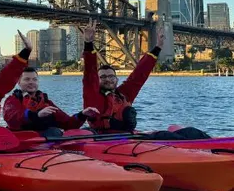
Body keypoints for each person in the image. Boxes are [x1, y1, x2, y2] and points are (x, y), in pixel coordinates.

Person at [81, 19, 209, 139]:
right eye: (102, 77)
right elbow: (89, 73)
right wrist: (88, 44)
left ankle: (219, 146)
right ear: (97, 80)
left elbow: (139, 74)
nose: (108, 79)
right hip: (105, 140)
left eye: (111, 76)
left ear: (116, 79)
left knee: (191, 132)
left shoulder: (123, 94)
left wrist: (158, 46)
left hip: (128, 138)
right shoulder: (92, 96)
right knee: (165, 136)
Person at [3, 66, 100, 137]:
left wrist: (82, 114)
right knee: (53, 132)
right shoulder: (12, 100)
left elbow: (68, 124)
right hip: (22, 140)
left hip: (44, 142)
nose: (31, 82)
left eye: (34, 79)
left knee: (90, 131)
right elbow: (12, 118)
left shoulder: (46, 103)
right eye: (27, 79)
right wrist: (37, 115)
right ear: (19, 82)